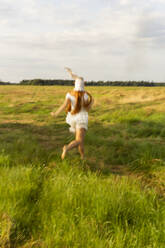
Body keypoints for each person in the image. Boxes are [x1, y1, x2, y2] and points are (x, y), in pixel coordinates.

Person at [51, 67, 94, 160]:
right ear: (83, 86)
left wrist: (55, 114)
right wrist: (92, 102)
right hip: (82, 118)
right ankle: (67, 148)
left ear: (75, 85)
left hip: (73, 118)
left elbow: (63, 105)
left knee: (80, 141)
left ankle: (83, 157)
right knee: (79, 140)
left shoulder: (70, 95)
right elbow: (88, 109)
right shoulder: (85, 96)